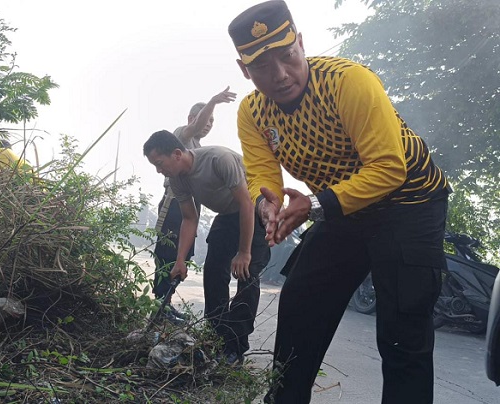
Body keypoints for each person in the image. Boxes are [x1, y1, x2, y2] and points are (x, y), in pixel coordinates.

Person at [228, 1, 450, 403]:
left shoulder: (348, 82)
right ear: (245, 70)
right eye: (261, 66)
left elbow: (387, 169)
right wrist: (270, 204)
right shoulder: (252, 112)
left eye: (287, 56)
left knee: (403, 329)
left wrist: (312, 206)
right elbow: (262, 173)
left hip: (410, 202)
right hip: (344, 205)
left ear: (300, 42)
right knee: (300, 305)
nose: (279, 75)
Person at [144, 130, 270, 365]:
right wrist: (180, 260)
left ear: (177, 154)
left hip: (252, 212)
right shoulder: (177, 179)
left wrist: (244, 252)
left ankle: (235, 347)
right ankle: (216, 338)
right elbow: (189, 218)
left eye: (160, 164)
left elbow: (246, 203)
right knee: (213, 272)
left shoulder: (218, 159)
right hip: (226, 215)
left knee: (247, 276)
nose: (159, 171)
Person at [153, 87, 236, 322]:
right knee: (167, 253)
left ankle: (165, 303)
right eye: (205, 119)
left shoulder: (199, 149)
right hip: (174, 205)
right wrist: (213, 102)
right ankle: (160, 305)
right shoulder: (181, 136)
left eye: (212, 121)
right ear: (192, 118)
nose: (208, 124)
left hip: (191, 207)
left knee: (183, 254)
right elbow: (195, 128)